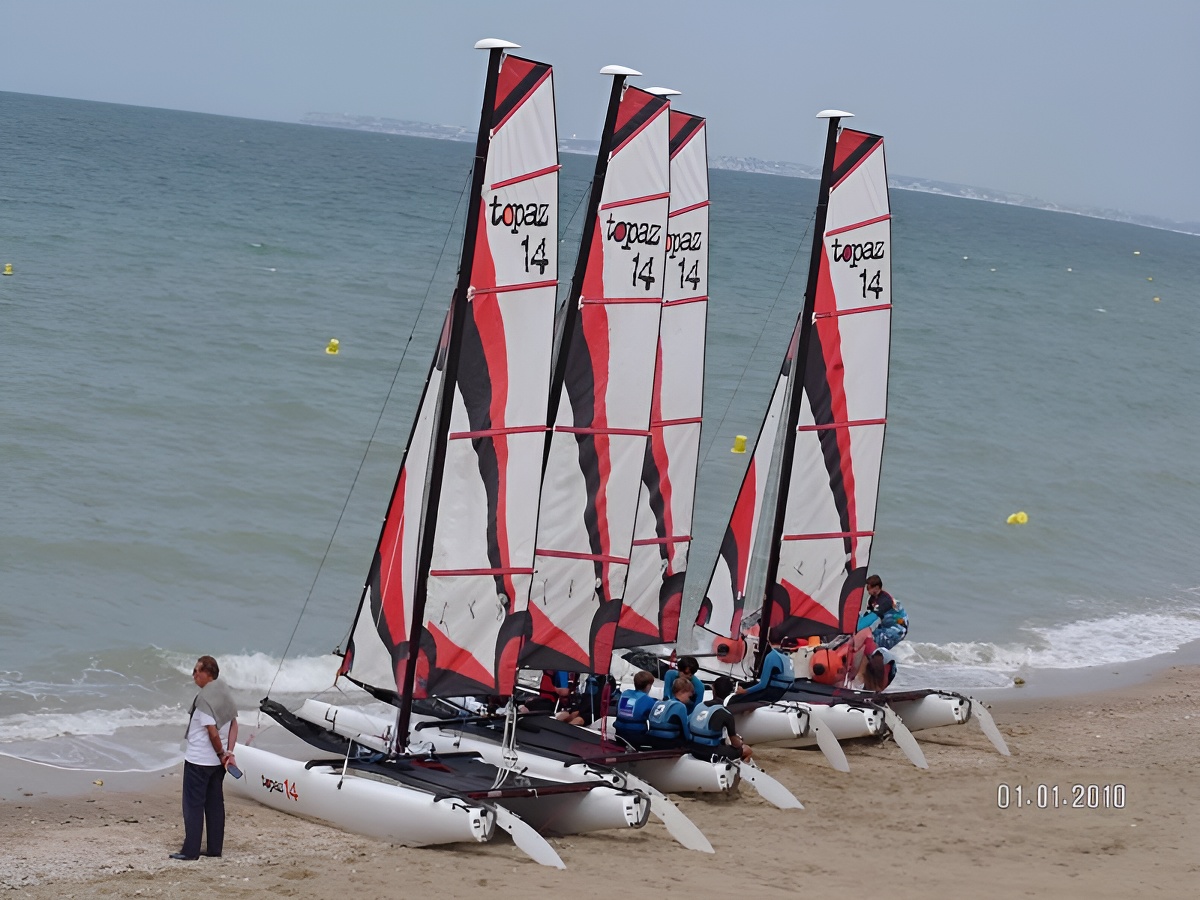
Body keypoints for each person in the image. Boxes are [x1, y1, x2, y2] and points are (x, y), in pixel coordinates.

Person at [173, 655, 238, 861]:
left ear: (206, 674)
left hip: (199, 761)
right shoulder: (224, 692)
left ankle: (190, 851)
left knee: (193, 806)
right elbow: (234, 724)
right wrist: (229, 753)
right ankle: (214, 848)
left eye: (196, 671)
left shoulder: (204, 699)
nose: (193, 675)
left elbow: (212, 732)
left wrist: (221, 753)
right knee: (214, 804)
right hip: (218, 764)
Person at [688, 676, 753, 761]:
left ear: (713, 689)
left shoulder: (699, 706)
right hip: (708, 753)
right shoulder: (726, 714)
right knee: (747, 750)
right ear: (729, 694)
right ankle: (738, 772)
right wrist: (740, 742)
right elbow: (735, 744)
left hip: (692, 748)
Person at [730, 626, 795, 704]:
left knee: (735, 699)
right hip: (783, 693)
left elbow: (763, 685)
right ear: (781, 640)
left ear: (768, 638)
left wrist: (744, 691)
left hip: (771, 694)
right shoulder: (787, 657)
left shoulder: (771, 656)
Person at [644, 677, 694, 748]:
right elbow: (686, 732)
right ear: (682, 692)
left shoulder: (659, 703)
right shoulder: (680, 706)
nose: (689, 700)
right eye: (689, 697)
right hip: (668, 741)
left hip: (652, 738)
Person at [865, 574, 909, 649]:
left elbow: (873, 617)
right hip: (885, 625)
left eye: (869, 588)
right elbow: (867, 615)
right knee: (870, 637)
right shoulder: (871, 599)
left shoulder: (885, 600)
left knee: (876, 641)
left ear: (876, 587)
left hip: (898, 628)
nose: (867, 590)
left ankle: (878, 657)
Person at [614, 671, 658, 744]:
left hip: (619, 734)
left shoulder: (625, 694)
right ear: (648, 686)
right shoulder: (648, 700)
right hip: (636, 737)